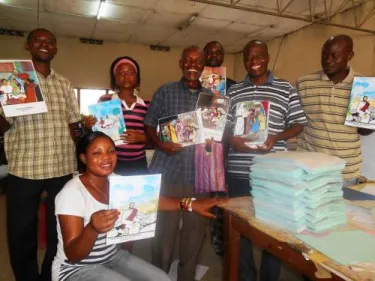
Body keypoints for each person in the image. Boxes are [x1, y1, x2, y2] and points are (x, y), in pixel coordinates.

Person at [53, 131, 224, 281]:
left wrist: (191, 204)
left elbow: (151, 200)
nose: (106, 157)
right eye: (97, 153)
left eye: (111, 151)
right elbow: (73, 255)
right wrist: (92, 228)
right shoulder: (72, 193)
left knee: (162, 279)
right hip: (75, 269)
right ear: (83, 158)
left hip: (112, 257)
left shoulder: (116, 180)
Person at [0, 28, 83, 281]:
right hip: (25, 168)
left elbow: (74, 125)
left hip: (61, 168)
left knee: (60, 231)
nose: (45, 44)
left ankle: (50, 276)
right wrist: (8, 106)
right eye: (39, 41)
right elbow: (1, 127)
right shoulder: (13, 80)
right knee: (21, 233)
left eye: (50, 41)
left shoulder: (65, 84)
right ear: (28, 46)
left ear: (56, 48)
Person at [225, 40, 307, 281]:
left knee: (273, 229)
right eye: (249, 57)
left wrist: (276, 136)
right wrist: (232, 140)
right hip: (239, 172)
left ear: (268, 58)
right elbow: (223, 127)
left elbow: (299, 123)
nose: (254, 61)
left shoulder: (286, 88)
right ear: (244, 62)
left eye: (259, 55)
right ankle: (247, 276)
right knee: (241, 230)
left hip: (272, 172)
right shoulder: (234, 91)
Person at [144, 46, 212, 281]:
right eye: (188, 60)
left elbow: (217, 133)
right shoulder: (165, 91)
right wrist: (161, 144)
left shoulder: (213, 99)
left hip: (199, 177)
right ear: (181, 63)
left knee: (193, 240)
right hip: (168, 173)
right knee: (163, 238)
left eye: (198, 60)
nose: (193, 64)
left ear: (204, 65)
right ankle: (158, 277)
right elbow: (149, 125)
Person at [296, 35, 373, 188]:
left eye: (334, 55)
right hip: (309, 170)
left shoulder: (364, 86)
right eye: (324, 55)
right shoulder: (304, 83)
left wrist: (367, 112)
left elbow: (364, 131)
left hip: (345, 173)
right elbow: (295, 122)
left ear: (349, 56)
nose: (327, 60)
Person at [92, 56, 150, 175]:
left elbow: (154, 135)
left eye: (130, 73)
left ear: (137, 77)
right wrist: (91, 124)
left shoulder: (147, 104)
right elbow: (98, 134)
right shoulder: (105, 101)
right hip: (111, 161)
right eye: (121, 73)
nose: (126, 76)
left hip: (138, 162)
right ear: (115, 78)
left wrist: (143, 138)